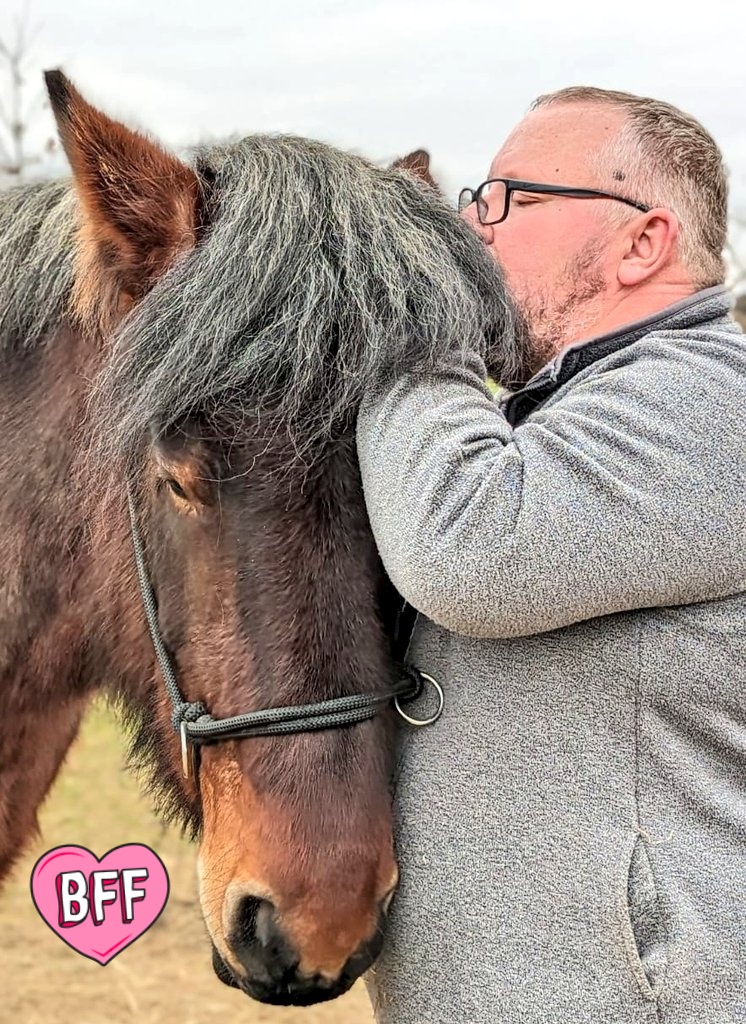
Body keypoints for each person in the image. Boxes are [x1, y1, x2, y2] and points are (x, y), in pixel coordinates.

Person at [356, 87, 746, 1023]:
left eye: (514, 200)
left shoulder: (712, 406)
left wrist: (415, 314)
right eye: (473, 200)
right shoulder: (559, 415)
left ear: (641, 243)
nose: (471, 231)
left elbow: (469, 551)